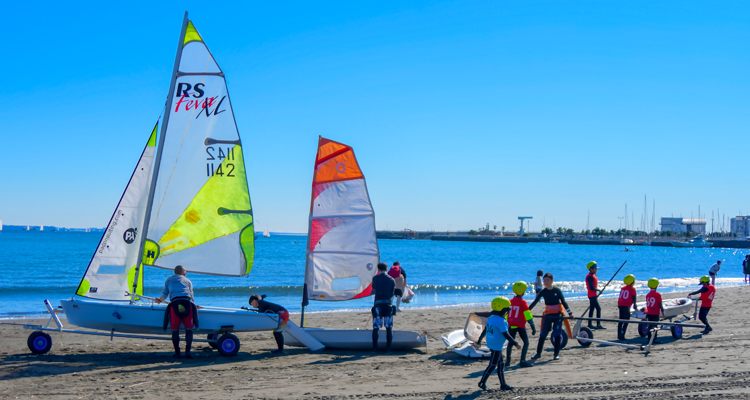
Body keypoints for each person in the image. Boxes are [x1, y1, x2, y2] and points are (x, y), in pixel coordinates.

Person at [477, 297, 522, 391]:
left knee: (501, 364)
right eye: (506, 310)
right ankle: (482, 382)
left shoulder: (491, 318)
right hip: (497, 346)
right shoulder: (501, 321)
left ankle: (503, 384)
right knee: (492, 365)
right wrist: (515, 343)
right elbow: (506, 334)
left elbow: (485, 330)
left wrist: (479, 341)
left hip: (491, 343)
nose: (507, 312)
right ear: (502, 310)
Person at [529, 272, 573, 361]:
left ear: (552, 281)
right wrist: (527, 310)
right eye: (544, 280)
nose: (546, 282)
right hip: (548, 315)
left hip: (558, 315)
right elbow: (535, 301)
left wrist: (570, 313)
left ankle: (556, 354)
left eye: (548, 280)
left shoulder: (557, 290)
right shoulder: (543, 292)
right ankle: (538, 354)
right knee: (543, 334)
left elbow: (564, 302)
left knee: (557, 334)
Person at [155, 265, 197, 359]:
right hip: (187, 304)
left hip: (175, 305)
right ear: (182, 271)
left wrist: (160, 300)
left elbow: (164, 295)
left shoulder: (168, 280)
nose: (186, 273)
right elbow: (192, 297)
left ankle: (177, 353)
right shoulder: (188, 281)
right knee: (189, 329)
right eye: (185, 271)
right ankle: (188, 353)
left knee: (175, 330)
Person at [506, 282, 536, 368]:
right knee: (526, 342)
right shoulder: (523, 302)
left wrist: (507, 323)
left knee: (510, 343)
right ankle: (522, 361)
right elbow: (527, 314)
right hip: (520, 325)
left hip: (511, 324)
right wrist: (532, 325)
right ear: (522, 292)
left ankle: (508, 361)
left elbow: (507, 314)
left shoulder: (510, 301)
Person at [371, 262, 395, 353]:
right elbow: (392, 293)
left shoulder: (375, 278)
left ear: (378, 269)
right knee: (389, 327)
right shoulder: (391, 280)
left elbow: (374, 288)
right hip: (388, 305)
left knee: (376, 327)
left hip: (378, 304)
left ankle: (374, 349)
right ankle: (388, 349)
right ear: (387, 269)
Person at [617, 274, 638, 340]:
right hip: (626, 306)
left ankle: (619, 333)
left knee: (621, 320)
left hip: (620, 304)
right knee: (626, 320)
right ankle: (622, 334)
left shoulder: (623, 288)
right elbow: (634, 298)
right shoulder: (632, 289)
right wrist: (635, 304)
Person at [585, 261, 605, 329]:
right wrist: (598, 290)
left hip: (593, 295)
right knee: (598, 308)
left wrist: (597, 291)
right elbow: (591, 288)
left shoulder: (593, 276)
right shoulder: (590, 277)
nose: (596, 270)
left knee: (592, 309)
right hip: (592, 295)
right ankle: (598, 324)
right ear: (591, 269)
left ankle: (590, 324)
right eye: (595, 268)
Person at [645, 278, 665, 344]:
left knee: (650, 326)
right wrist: (663, 312)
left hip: (649, 312)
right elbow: (660, 304)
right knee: (655, 326)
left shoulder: (647, 294)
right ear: (656, 286)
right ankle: (654, 339)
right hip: (655, 313)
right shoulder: (658, 294)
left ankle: (649, 339)